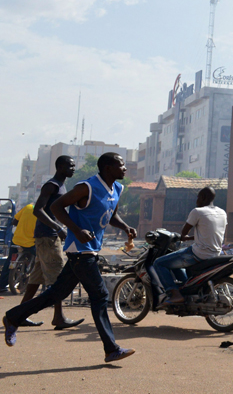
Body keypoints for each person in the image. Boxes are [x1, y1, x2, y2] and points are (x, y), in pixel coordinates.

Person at [3, 152, 137, 363]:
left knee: (56, 294)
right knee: (100, 296)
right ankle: (111, 349)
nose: (125, 168)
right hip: (79, 250)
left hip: (91, 249)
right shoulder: (87, 187)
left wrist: (125, 226)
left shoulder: (117, 189)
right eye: (121, 165)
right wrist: (76, 230)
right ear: (108, 168)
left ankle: (13, 317)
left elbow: (111, 215)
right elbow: (56, 207)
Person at [19, 156, 84, 330]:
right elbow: (38, 210)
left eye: (74, 166)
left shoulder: (61, 185)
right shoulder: (52, 185)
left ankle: (20, 314)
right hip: (48, 236)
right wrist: (58, 227)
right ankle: (58, 318)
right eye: (70, 166)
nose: (73, 168)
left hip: (46, 236)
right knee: (58, 279)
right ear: (60, 167)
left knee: (36, 278)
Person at [152, 187, 227, 305]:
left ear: (203, 197)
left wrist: (184, 237)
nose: (196, 200)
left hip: (199, 254)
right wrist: (193, 238)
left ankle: (174, 294)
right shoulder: (222, 212)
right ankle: (187, 290)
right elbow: (210, 233)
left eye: (198, 197)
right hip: (215, 253)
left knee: (159, 263)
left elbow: (184, 232)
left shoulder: (197, 211)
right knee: (176, 262)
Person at [0, 202, 39, 319]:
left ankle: (2, 285)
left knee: (8, 262)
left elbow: (14, 221)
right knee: (41, 260)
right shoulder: (44, 213)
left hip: (17, 240)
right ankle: (45, 286)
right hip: (31, 243)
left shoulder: (27, 207)